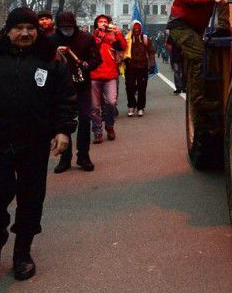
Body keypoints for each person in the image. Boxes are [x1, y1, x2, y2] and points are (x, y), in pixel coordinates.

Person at [0, 7, 76, 280]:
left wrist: (63, 130)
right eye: (19, 28)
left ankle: (22, 251)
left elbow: (65, 98)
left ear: (37, 31)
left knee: (31, 200)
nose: (25, 33)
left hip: (34, 143)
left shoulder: (50, 59)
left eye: (30, 29)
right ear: (7, 31)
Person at [167, 0, 229, 145]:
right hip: (180, 25)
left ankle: (198, 91)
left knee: (203, 58)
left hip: (191, 27)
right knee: (199, 56)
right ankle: (199, 99)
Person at [51, 11, 101, 173]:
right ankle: (65, 158)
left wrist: (88, 65)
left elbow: (96, 58)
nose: (67, 30)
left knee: (85, 119)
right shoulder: (51, 40)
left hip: (82, 86)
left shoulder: (86, 38)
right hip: (60, 89)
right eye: (64, 27)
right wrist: (54, 55)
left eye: (70, 27)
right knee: (63, 122)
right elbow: (42, 61)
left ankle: (83, 156)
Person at [89, 14, 126, 143]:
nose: (103, 23)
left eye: (105, 21)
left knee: (111, 102)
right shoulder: (91, 37)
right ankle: (97, 131)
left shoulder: (113, 36)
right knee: (94, 106)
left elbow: (123, 47)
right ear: (96, 24)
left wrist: (118, 33)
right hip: (94, 75)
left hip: (110, 75)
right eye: (100, 21)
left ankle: (109, 126)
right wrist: (100, 35)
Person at [123, 20, 156, 117]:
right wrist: (124, 61)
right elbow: (122, 51)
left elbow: (151, 52)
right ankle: (131, 106)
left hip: (142, 67)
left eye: (138, 28)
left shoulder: (145, 38)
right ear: (132, 28)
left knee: (142, 88)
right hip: (130, 67)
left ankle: (140, 107)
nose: (137, 30)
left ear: (141, 29)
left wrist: (152, 64)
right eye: (135, 28)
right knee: (129, 88)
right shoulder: (127, 39)